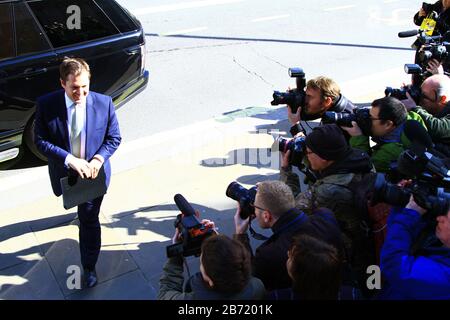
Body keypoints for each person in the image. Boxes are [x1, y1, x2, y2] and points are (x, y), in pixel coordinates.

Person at [34, 57, 121, 288]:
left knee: (89, 220)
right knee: (77, 208)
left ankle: (89, 266)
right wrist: (70, 160)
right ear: (63, 83)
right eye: (74, 88)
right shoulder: (46, 104)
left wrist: (98, 159)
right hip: (65, 174)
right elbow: (40, 141)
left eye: (85, 87)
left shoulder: (104, 103)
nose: (81, 94)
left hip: (93, 176)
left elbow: (114, 138)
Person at [280, 124, 375, 290]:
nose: (306, 156)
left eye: (308, 153)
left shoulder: (327, 191)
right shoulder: (359, 160)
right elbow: (322, 171)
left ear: (324, 157)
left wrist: (286, 170)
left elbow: (291, 209)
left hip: (347, 254)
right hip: (368, 241)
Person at [266, 209, 362, 300]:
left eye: (291, 257)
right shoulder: (353, 294)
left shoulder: (275, 297)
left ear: (298, 275)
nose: (288, 254)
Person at [233, 180, 309, 291]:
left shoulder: (268, 255)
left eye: (255, 207)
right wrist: (268, 190)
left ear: (266, 216)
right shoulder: (322, 220)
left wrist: (240, 234)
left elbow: (249, 279)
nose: (254, 210)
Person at [378, 196, 450, 299]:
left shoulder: (446, 279)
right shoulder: (442, 246)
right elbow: (401, 239)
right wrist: (404, 204)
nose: (439, 218)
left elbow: (394, 265)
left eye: (447, 220)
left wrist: (409, 215)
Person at [158, 231, 266, 300]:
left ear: (210, 281)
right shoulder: (257, 287)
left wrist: (175, 257)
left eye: (202, 265)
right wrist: (219, 243)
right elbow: (233, 261)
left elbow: (165, 294)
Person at [341, 96, 425, 173]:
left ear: (388, 124)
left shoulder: (390, 152)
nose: (367, 120)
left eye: (371, 118)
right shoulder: (413, 118)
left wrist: (358, 138)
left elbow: (365, 169)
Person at [401, 74, 450, 153]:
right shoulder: (431, 110)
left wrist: (414, 108)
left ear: (442, 99)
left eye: (424, 96)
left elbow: (437, 129)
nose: (420, 99)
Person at [287, 76, 355, 129]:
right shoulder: (337, 103)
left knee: (277, 142)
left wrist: (296, 125)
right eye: (305, 95)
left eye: (309, 96)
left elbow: (305, 146)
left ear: (327, 101)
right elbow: (311, 113)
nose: (305, 100)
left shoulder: (336, 125)